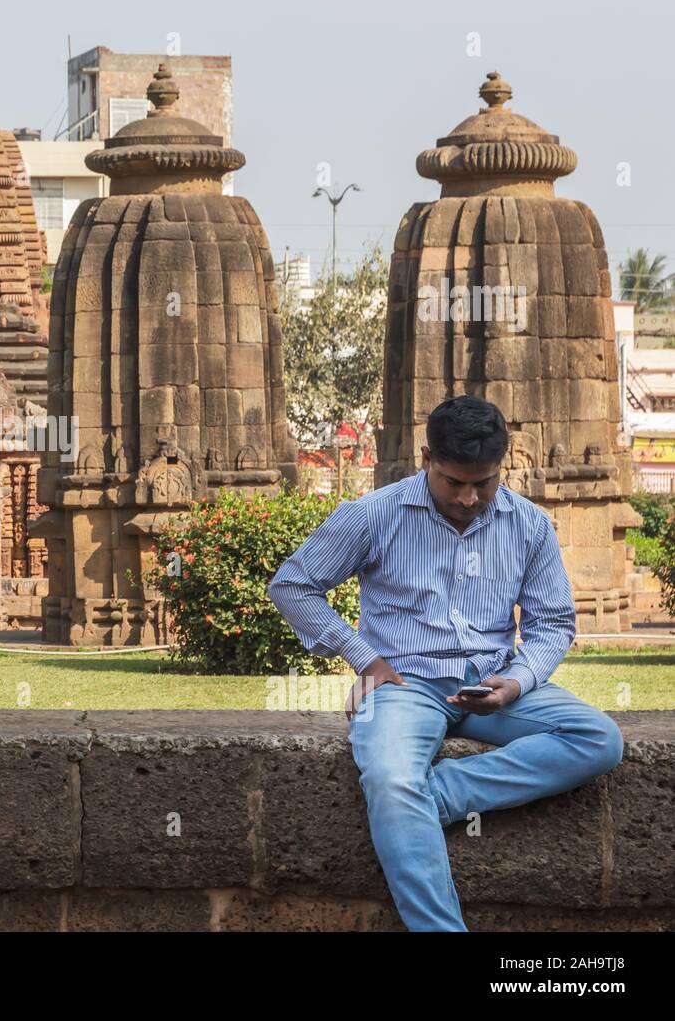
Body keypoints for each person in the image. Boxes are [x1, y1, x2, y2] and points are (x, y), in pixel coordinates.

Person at [267, 395, 624, 931]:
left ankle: (433, 798)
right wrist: (364, 659)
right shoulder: (372, 514)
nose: (469, 496)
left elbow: (553, 624)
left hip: (495, 684)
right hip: (405, 684)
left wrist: (518, 681)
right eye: (455, 481)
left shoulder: (529, 524)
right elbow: (293, 585)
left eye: (483, 482)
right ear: (427, 457)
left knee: (600, 740)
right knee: (390, 777)